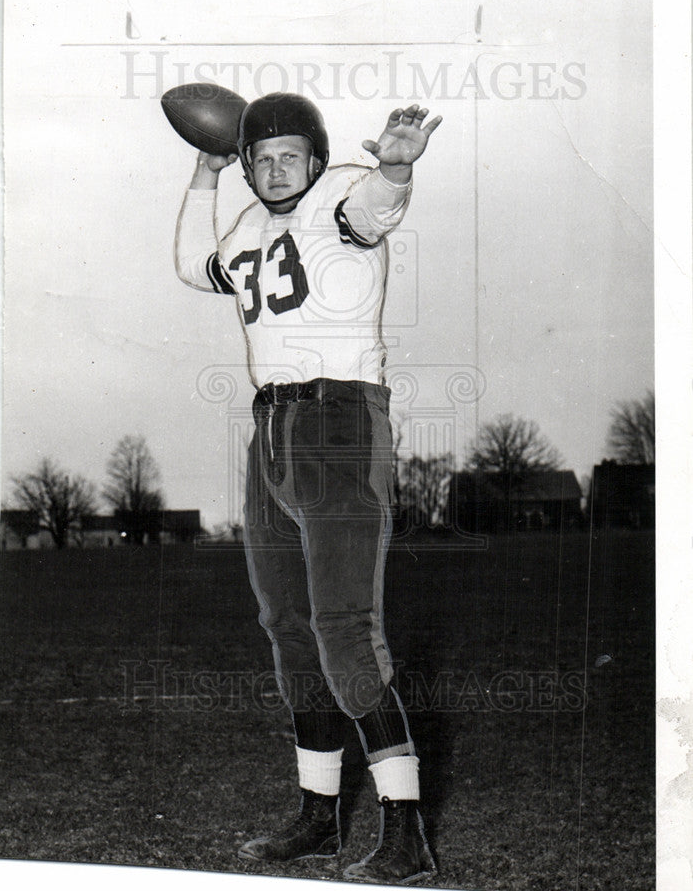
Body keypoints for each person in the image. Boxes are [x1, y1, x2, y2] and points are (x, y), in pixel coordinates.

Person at [174, 92, 442, 883]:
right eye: (260, 156)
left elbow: (375, 209)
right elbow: (194, 265)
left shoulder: (341, 196)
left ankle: (404, 831)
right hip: (271, 429)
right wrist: (204, 170)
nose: (274, 167)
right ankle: (318, 816)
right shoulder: (252, 224)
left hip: (339, 421)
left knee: (343, 629)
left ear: (317, 159)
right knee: (286, 624)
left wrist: (395, 168)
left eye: (288, 154)